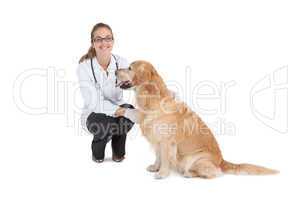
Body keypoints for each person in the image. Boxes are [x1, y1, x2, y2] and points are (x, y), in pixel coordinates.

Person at [77, 22, 134, 163]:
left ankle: (118, 150)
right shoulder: (84, 67)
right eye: (99, 39)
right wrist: (123, 111)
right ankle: (98, 148)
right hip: (94, 115)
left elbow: (138, 84)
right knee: (106, 122)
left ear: (113, 41)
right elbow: (94, 103)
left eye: (108, 38)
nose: (104, 43)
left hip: (118, 112)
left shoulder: (121, 62)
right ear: (93, 43)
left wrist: (164, 93)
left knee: (129, 114)